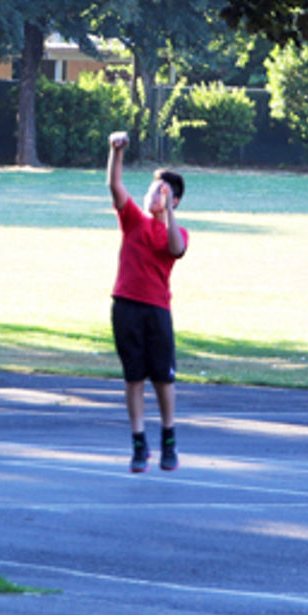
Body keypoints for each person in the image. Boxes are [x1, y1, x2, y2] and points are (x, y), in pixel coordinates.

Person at [106, 130, 187, 473]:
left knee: (163, 378)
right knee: (133, 377)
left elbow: (175, 249)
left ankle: (169, 436)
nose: (154, 195)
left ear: (174, 201)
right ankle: (139, 442)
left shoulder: (176, 231)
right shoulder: (133, 221)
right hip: (126, 305)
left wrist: (168, 211)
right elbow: (115, 186)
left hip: (157, 310)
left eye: (163, 192)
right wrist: (116, 151)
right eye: (153, 190)